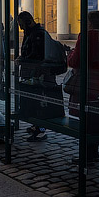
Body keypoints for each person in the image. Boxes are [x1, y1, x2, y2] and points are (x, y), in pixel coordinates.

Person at [65, 10, 99, 162]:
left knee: (84, 118)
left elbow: (75, 61)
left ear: (89, 22)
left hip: (85, 82)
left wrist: (69, 55)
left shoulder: (85, 36)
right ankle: (93, 152)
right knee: (95, 117)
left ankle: (85, 154)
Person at [16, 11, 62, 141]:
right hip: (35, 73)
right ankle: (36, 125)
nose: (21, 28)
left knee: (39, 102)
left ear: (28, 22)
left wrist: (22, 60)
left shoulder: (38, 34)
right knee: (33, 101)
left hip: (40, 74)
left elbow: (36, 56)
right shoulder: (32, 32)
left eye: (21, 24)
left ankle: (41, 130)